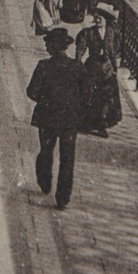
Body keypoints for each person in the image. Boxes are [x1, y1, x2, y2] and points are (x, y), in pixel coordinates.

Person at [26, 27, 90, 209]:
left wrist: (47, 99)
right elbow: (86, 93)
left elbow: (32, 92)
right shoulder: (77, 67)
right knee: (67, 159)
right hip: (69, 120)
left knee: (46, 152)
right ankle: (63, 198)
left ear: (53, 47)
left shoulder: (43, 66)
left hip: (47, 118)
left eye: (48, 44)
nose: (46, 47)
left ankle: (45, 183)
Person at [75, 2, 122, 137]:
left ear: (106, 19)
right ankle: (87, 123)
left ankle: (102, 124)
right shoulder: (88, 33)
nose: (97, 20)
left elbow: (113, 51)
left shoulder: (112, 33)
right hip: (93, 66)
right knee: (90, 94)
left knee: (107, 96)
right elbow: (81, 50)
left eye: (100, 18)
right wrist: (78, 63)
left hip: (107, 68)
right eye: (96, 18)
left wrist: (114, 68)